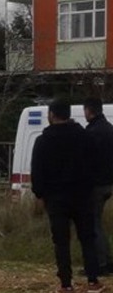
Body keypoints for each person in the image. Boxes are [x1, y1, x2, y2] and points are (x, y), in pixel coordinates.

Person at [32, 99, 105, 293]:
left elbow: (37, 171)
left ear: (52, 115)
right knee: (87, 238)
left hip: (56, 198)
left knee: (61, 241)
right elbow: (96, 165)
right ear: (69, 115)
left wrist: (39, 194)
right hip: (83, 196)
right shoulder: (86, 137)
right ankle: (93, 280)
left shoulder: (43, 140)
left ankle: (66, 284)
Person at [85, 97, 113, 276]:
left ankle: (100, 263)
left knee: (93, 224)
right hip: (108, 183)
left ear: (89, 110)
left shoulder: (93, 132)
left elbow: (87, 159)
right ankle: (106, 260)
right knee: (98, 223)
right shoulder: (109, 129)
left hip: (95, 184)